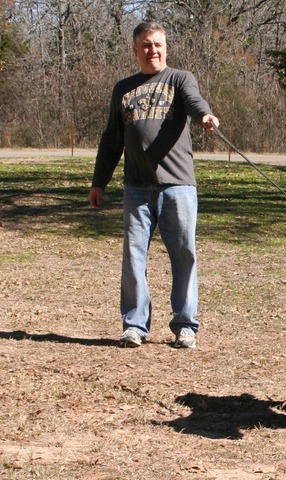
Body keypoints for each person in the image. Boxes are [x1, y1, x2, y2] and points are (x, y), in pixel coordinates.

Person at [89, 22, 219, 349]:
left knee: (184, 255)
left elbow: (194, 100)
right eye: (146, 45)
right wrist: (98, 183)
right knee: (133, 257)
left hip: (178, 186)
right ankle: (134, 325)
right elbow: (111, 140)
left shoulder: (179, 79)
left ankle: (185, 326)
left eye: (158, 44)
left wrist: (205, 115)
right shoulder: (123, 88)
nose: (153, 50)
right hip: (136, 188)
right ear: (135, 50)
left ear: (166, 47)